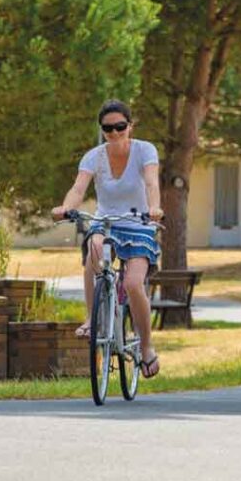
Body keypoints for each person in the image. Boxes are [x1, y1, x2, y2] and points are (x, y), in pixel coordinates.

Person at [51, 100, 163, 378]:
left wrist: (155, 208)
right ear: (102, 131)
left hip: (139, 222)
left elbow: (151, 183)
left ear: (130, 127)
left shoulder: (144, 150)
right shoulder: (94, 157)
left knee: (134, 283)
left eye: (120, 127)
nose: (114, 133)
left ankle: (146, 347)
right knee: (94, 249)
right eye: (108, 129)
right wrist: (65, 207)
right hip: (106, 221)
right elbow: (78, 188)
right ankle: (92, 318)